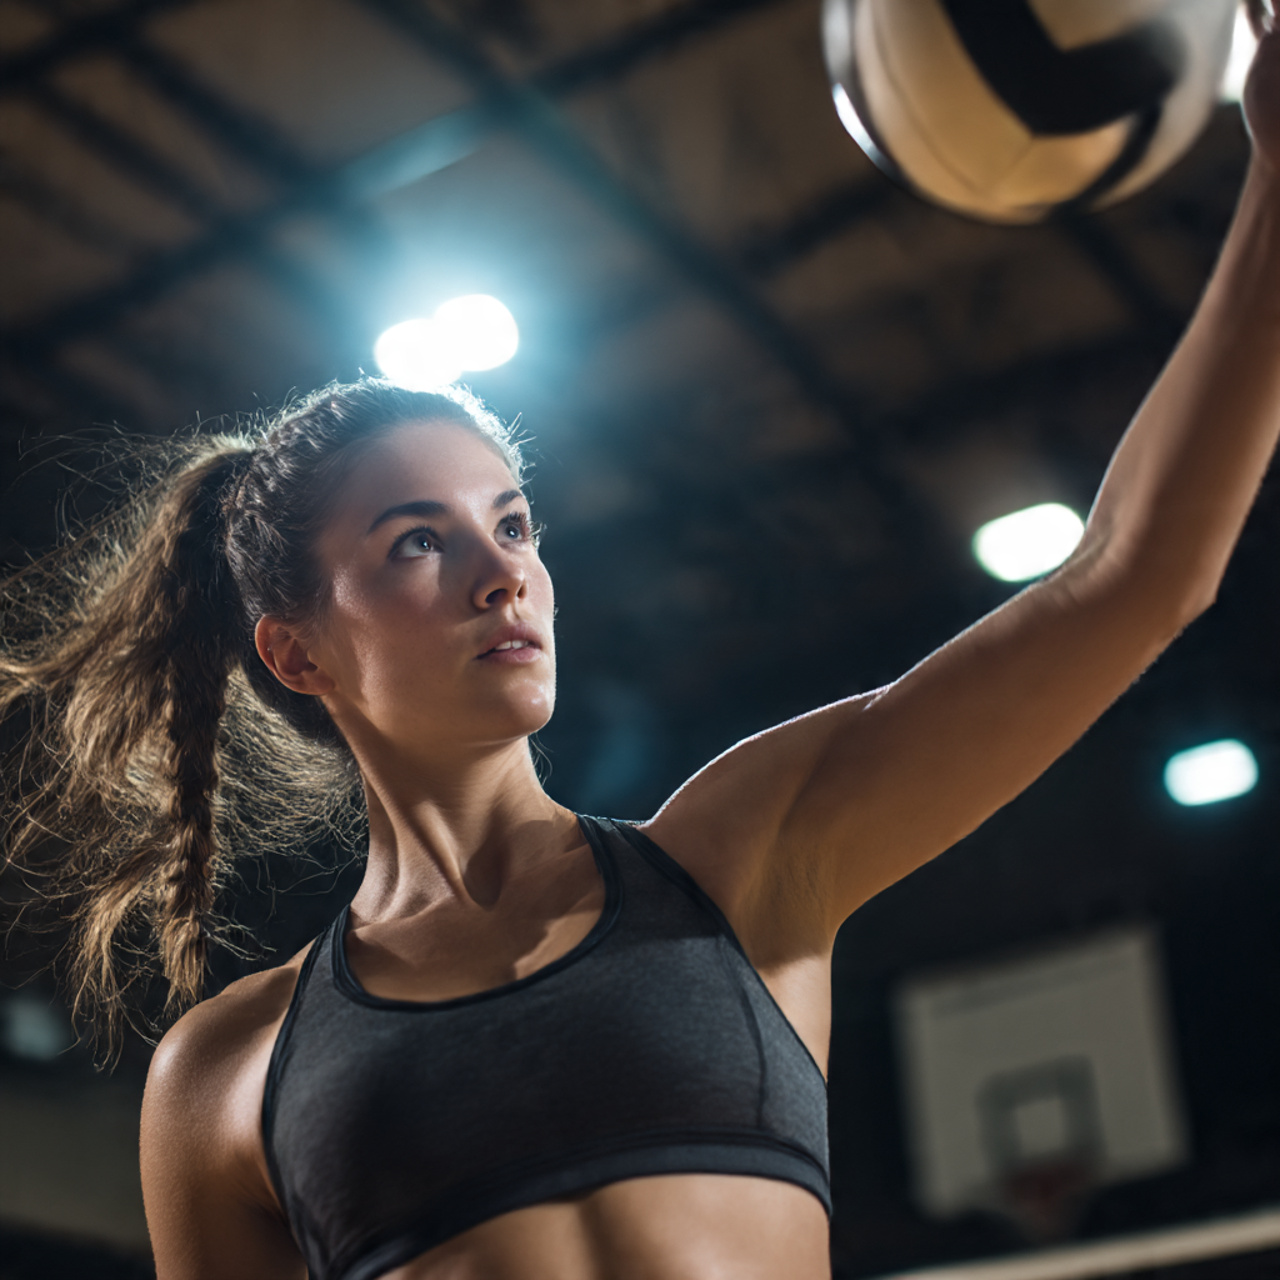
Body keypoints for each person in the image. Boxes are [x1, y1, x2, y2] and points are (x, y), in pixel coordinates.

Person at [2, 20, 1278, 1280]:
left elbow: (1131, 575)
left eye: (511, 523)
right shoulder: (227, 1071)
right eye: (415, 542)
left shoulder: (745, 851)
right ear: (298, 653)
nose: (503, 569)